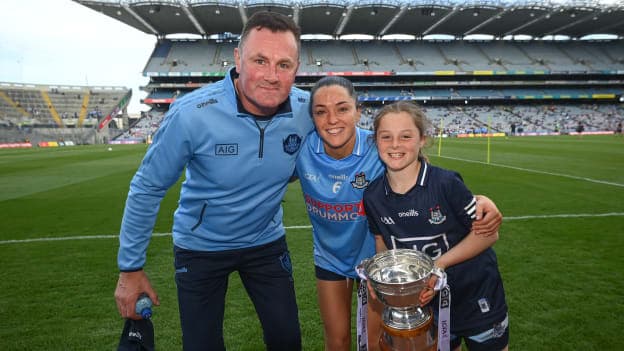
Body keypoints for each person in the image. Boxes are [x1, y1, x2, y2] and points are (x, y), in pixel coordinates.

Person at [114, 12, 313, 351]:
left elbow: (349, 143)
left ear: (297, 68)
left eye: (284, 64)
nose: (271, 75)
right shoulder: (191, 114)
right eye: (260, 60)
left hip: (265, 242)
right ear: (238, 59)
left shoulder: (306, 110)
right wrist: (130, 269)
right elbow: (148, 187)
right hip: (200, 246)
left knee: (287, 340)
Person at [295, 77, 504, 351]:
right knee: (337, 340)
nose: (332, 119)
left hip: (389, 264)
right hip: (333, 258)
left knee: (375, 342)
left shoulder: (376, 147)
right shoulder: (302, 150)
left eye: (343, 108)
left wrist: (478, 200)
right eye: (321, 111)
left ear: (359, 111)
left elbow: (421, 172)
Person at [363, 101, 509, 351]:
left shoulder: (446, 183)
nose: (395, 144)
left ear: (422, 140)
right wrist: (385, 282)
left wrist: (437, 266)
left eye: (405, 136)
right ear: (375, 141)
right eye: (386, 137)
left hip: (476, 295)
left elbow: (488, 235)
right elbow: (382, 243)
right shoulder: (373, 196)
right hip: (427, 303)